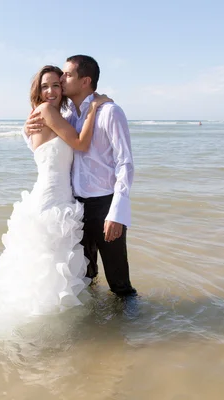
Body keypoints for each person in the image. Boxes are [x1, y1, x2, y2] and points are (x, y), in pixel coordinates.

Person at [0, 65, 111, 320]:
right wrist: (93, 109)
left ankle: (61, 313)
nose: (52, 90)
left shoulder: (51, 114)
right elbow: (81, 143)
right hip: (52, 197)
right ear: (38, 90)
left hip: (59, 195)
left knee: (56, 261)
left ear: (63, 88)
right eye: (45, 86)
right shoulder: (45, 111)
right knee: (50, 260)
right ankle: (48, 315)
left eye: (56, 84)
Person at [25, 55, 137, 297]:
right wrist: (26, 130)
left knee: (119, 281)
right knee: (85, 278)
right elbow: (46, 147)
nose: (61, 80)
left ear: (85, 81)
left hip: (104, 205)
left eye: (66, 76)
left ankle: (132, 331)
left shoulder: (110, 112)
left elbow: (125, 163)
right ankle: (95, 328)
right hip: (74, 207)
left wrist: (117, 213)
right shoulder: (69, 117)